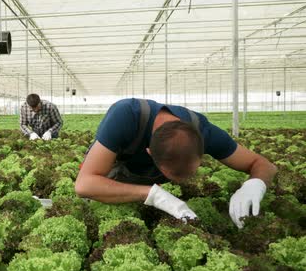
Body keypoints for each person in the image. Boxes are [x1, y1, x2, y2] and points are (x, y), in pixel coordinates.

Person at [75, 98, 277, 228]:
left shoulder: (206, 132)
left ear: (203, 149)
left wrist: (255, 184)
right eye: (172, 176)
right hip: (115, 175)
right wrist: (152, 194)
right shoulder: (125, 116)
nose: (181, 181)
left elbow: (264, 164)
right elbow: (84, 184)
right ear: (149, 152)